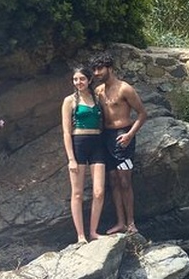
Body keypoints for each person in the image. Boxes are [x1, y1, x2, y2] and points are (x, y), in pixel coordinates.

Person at [90, 52, 148, 234]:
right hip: (106, 137)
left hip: (123, 136)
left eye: (100, 69)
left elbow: (142, 114)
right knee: (113, 180)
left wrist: (130, 135)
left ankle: (131, 223)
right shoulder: (98, 91)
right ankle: (120, 222)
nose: (97, 73)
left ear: (110, 69)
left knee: (125, 181)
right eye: (94, 70)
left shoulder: (125, 89)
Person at [61, 66, 106, 244]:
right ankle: (80, 235)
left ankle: (93, 231)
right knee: (77, 193)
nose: (78, 82)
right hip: (78, 143)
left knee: (99, 192)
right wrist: (71, 158)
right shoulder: (69, 100)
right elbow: (66, 132)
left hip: (97, 143)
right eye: (75, 79)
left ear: (89, 80)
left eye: (82, 79)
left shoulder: (97, 97)